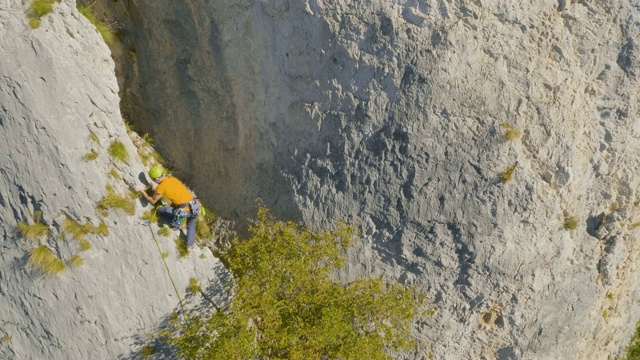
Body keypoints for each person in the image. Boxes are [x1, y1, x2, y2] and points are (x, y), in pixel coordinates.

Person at [136, 165, 200, 249]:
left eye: (153, 179)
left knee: (160, 210)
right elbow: (178, 195)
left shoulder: (161, 187)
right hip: (195, 207)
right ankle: (190, 245)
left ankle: (176, 223)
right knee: (191, 223)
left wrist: (141, 190)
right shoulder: (173, 179)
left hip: (184, 211)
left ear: (156, 179)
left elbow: (152, 201)